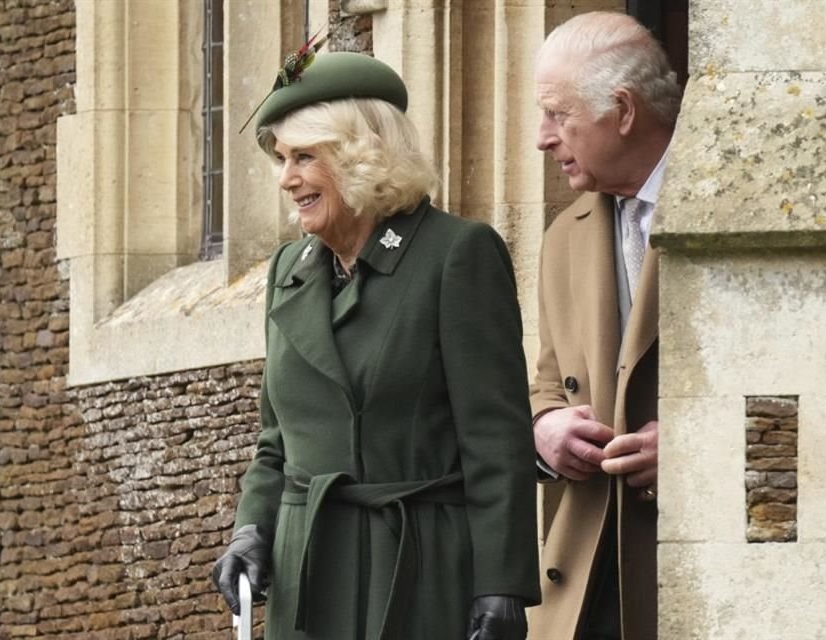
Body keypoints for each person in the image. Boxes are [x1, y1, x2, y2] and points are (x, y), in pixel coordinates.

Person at [211, 49, 541, 640]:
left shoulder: (456, 255)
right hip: (307, 571)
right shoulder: (290, 268)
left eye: (305, 158)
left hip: (419, 568)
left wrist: (501, 586)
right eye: (282, 159)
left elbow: (496, 439)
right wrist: (251, 528)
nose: (286, 179)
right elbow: (276, 440)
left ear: (363, 156)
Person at [528, 11, 682, 640]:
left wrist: (695, 450)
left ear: (622, 110)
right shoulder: (563, 237)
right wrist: (545, 433)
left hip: (691, 563)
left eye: (557, 115)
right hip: (585, 578)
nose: (542, 137)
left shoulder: (735, 214)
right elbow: (543, 384)